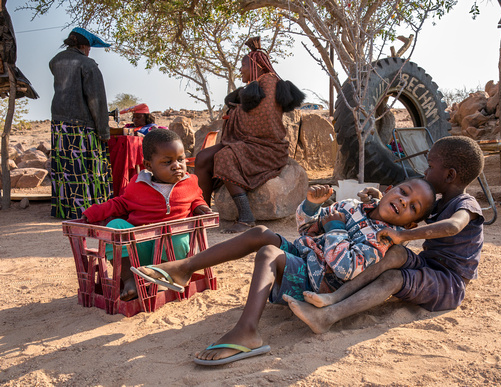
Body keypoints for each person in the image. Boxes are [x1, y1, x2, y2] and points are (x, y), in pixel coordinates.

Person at [130, 177, 435, 365]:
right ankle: (184, 269)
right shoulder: (354, 204)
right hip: (305, 254)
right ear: (390, 189)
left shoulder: (381, 238)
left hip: (318, 281)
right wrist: (313, 208)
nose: (404, 201)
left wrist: (335, 226)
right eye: (404, 192)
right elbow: (305, 226)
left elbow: (345, 269)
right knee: (260, 232)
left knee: (269, 253)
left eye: (413, 207)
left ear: (409, 224)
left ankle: (247, 332)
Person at [282, 136, 485, 334]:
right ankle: (335, 296)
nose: (426, 170)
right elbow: (406, 215)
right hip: (429, 265)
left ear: (449, 175)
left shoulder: (466, 204)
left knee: (393, 278)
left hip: (448, 282)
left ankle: (327, 317)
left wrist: (403, 235)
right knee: (395, 252)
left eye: (430, 166)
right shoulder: (439, 204)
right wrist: (383, 199)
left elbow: (453, 226)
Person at [82, 129, 212, 301]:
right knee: (115, 226)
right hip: (141, 249)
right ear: (149, 166)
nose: (177, 165)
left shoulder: (190, 182)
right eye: (167, 162)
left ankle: (162, 279)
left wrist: (200, 206)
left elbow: (196, 198)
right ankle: (129, 279)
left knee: (178, 238)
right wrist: (92, 213)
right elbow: (120, 203)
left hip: (171, 254)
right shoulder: (138, 184)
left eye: (181, 159)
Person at [194, 36, 305, 233]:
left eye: (243, 65)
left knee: (225, 157)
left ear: (256, 65)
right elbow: (248, 113)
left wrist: (234, 111)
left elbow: (262, 123)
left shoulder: (270, 84)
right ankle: (203, 213)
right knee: (202, 158)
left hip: (265, 147)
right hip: (245, 142)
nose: (240, 70)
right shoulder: (255, 86)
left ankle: (246, 217)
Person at [49, 27, 113, 219]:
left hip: (59, 123)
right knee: (86, 168)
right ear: (84, 46)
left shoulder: (56, 61)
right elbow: (97, 101)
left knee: (65, 167)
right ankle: (87, 209)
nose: (90, 50)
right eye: (89, 47)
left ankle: (65, 208)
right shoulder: (88, 65)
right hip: (82, 125)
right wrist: (104, 131)